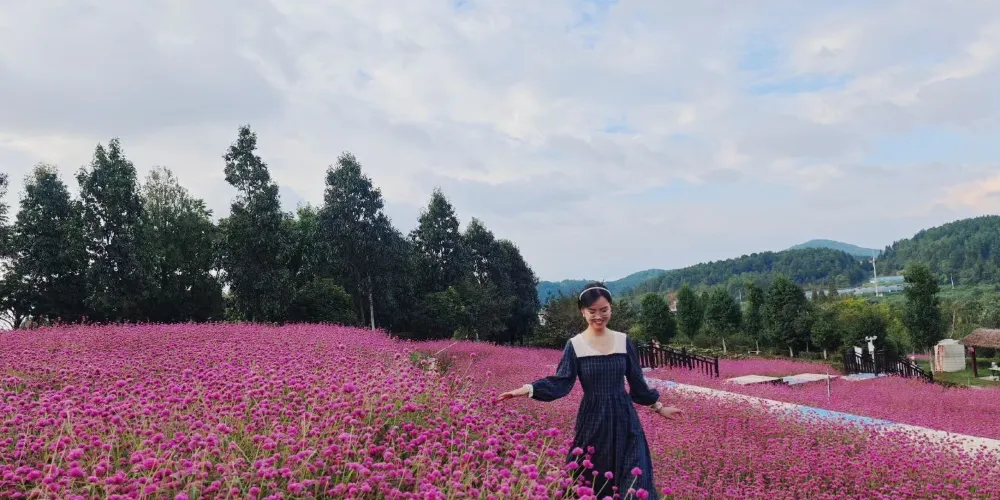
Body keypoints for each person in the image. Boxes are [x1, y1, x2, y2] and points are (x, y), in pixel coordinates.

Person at [497, 282, 681, 498]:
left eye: (604, 310)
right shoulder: (575, 345)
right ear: (582, 312)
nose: (598, 316)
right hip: (593, 421)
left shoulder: (623, 341)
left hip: (625, 420)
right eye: (592, 311)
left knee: (635, 480)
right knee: (591, 479)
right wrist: (528, 389)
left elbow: (637, 383)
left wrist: (659, 407)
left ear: (611, 308)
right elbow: (561, 382)